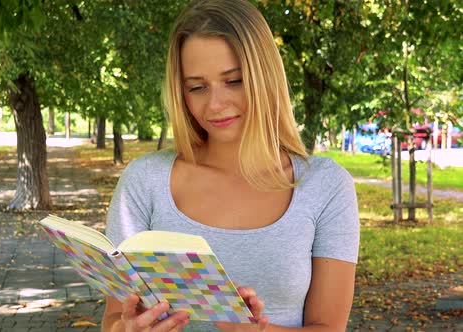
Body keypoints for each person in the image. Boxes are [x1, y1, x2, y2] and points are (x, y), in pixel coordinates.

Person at [101, 0, 360, 331]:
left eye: (234, 81)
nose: (216, 104)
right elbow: (113, 318)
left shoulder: (325, 186)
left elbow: (329, 326)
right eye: (197, 87)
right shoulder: (144, 182)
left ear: (264, 76)